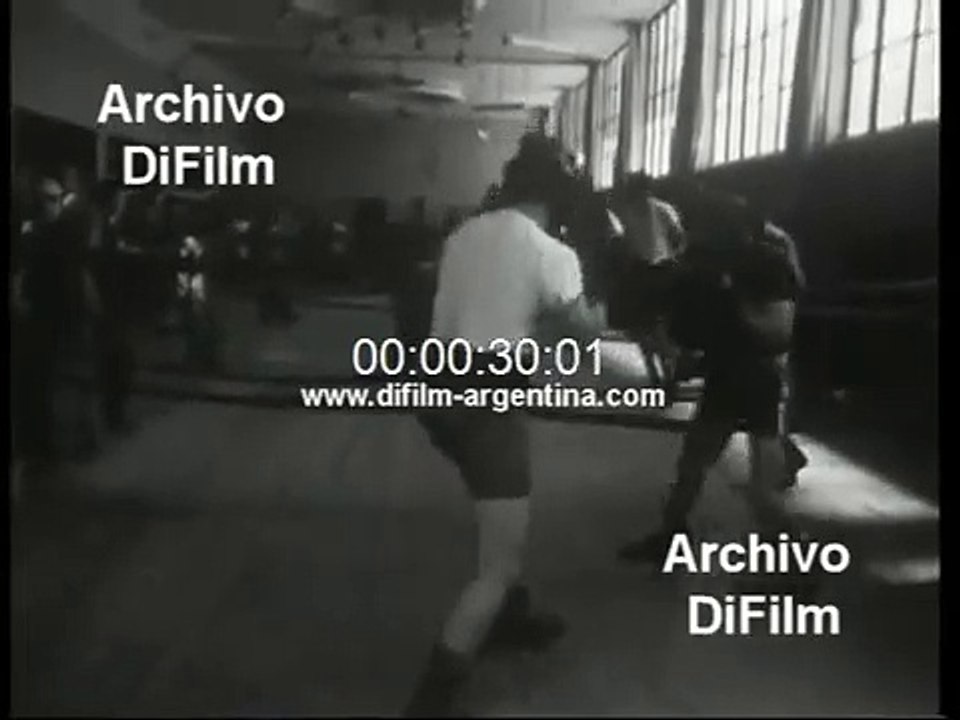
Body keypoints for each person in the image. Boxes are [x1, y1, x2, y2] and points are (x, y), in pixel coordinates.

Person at [404, 134, 606, 717]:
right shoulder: (551, 251)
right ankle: (429, 701)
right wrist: (600, 287)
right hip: (486, 401)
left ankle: (509, 616)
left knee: (500, 515)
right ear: (562, 194)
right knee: (500, 561)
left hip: (436, 394)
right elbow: (587, 332)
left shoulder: (465, 231)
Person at [617, 192, 807, 566]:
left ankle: (797, 564)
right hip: (725, 373)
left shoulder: (766, 263)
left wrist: (733, 302)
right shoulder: (700, 268)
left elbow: (779, 330)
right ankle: (670, 537)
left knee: (761, 491)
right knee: (691, 467)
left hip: (757, 377)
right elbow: (685, 330)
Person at [606, 172, 687, 386]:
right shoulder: (662, 210)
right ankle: (664, 369)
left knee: (646, 326)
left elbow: (623, 245)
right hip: (658, 270)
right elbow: (678, 238)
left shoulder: (631, 212)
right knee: (652, 326)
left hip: (647, 272)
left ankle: (661, 370)